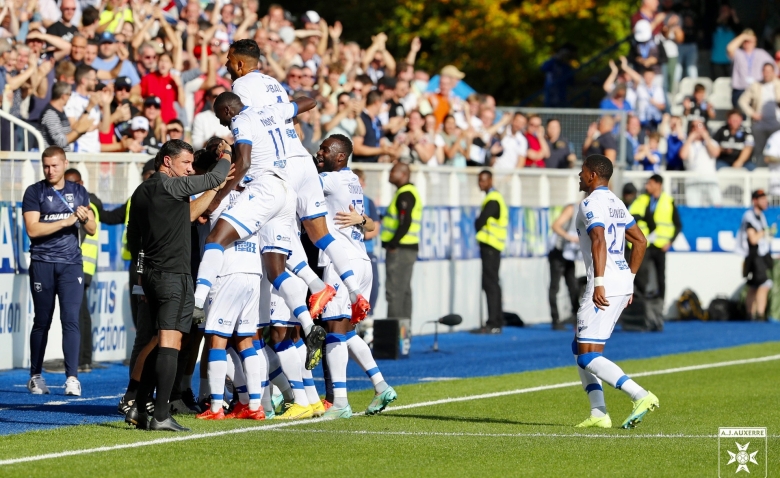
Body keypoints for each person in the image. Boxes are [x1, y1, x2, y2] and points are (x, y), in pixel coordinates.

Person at [223, 39, 371, 323]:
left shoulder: (240, 87)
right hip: (302, 160)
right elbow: (307, 103)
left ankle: (314, 289)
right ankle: (354, 292)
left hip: (279, 167)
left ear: (240, 63)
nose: (227, 66)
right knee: (321, 234)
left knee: (279, 232)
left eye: (229, 60)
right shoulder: (274, 83)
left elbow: (248, 130)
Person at [126, 139, 231, 432]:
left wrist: (140, 273)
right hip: (173, 275)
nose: (189, 170)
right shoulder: (171, 186)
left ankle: (138, 407)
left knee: (160, 341)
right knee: (171, 345)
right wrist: (227, 154)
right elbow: (215, 178)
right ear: (167, 161)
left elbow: (134, 237)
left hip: (151, 276)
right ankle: (160, 415)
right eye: (185, 164)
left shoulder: (142, 190)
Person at [573, 154, 658, 430]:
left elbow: (598, 238)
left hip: (605, 283)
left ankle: (640, 395)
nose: (579, 176)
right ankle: (599, 413)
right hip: (621, 281)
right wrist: (629, 278)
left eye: (582, 172)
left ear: (593, 176)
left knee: (586, 356)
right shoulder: (618, 203)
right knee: (581, 347)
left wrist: (598, 282)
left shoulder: (590, 203)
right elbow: (640, 241)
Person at [316, 135, 397, 418]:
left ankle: (339, 401)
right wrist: (362, 220)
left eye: (325, 150)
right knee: (347, 331)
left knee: (334, 332)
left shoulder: (332, 179)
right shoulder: (351, 179)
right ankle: (380, 384)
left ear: (340, 157)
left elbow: (296, 182)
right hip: (362, 259)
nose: (318, 153)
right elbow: (371, 224)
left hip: (342, 261)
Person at [22, 146, 97, 396]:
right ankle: (35, 376)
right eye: (46, 166)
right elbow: (33, 229)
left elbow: (93, 228)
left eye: (54, 165)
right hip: (42, 262)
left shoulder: (78, 191)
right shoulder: (34, 192)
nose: (50, 170)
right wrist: (65, 221)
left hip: (71, 264)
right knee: (42, 320)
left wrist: (85, 218)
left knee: (70, 320)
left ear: (65, 164)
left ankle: (72, 378)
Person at [195, 183, 267, 421]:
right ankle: (254, 404)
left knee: (217, 341)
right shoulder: (255, 195)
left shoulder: (219, 195)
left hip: (227, 272)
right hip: (253, 271)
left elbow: (200, 213)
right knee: (247, 340)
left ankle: (216, 407)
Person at [63, 168, 101, 373]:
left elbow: (78, 238)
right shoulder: (86, 205)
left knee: (78, 314)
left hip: (79, 265)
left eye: (75, 183)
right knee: (82, 312)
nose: (72, 188)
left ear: (82, 182)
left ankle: (80, 358)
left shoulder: (84, 207)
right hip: (83, 265)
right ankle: (84, 358)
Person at [629, 175, 682, 303]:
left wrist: (670, 242)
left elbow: (677, 224)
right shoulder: (643, 199)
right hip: (647, 244)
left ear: (659, 184)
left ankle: (660, 303)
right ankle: (641, 300)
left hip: (660, 245)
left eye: (650, 184)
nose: (647, 186)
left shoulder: (668, 200)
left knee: (660, 276)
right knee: (640, 272)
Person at [381, 162, 422, 320]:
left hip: (400, 250)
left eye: (394, 171)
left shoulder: (405, 194)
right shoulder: (408, 192)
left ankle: (393, 334)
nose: (390, 174)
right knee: (404, 291)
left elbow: (405, 222)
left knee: (395, 292)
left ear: (404, 175)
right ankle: (403, 334)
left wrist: (393, 244)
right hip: (407, 248)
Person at [473, 170, 507, 334]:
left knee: (490, 284)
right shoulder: (493, 197)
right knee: (493, 284)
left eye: (484, 180)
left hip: (490, 246)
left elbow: (480, 221)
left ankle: (493, 322)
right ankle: (497, 320)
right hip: (493, 247)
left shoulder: (493, 199)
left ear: (491, 180)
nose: (481, 183)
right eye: (479, 180)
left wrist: (477, 223)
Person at [736, 190, 775, 321]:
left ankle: (749, 315)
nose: (765, 202)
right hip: (755, 256)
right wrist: (765, 231)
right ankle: (760, 315)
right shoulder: (749, 216)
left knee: (753, 286)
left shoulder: (761, 216)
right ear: (755, 201)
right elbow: (753, 239)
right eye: (762, 199)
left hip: (761, 255)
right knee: (765, 284)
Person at [738, 62, 780, 166]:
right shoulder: (755, 85)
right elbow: (742, 101)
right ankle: (759, 172)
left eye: (769, 71)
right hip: (760, 123)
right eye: (764, 71)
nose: (766, 74)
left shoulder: (778, 84)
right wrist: (752, 113)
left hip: (777, 123)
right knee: (759, 149)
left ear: (773, 72)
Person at [549, 203, 581, 331]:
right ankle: (555, 320)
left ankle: (577, 320)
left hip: (570, 255)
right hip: (558, 252)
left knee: (573, 287)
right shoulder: (572, 209)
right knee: (555, 287)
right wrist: (569, 237)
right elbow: (555, 225)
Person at [727, 29, 774, 108]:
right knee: (740, 114)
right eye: (745, 41)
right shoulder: (738, 52)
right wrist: (743, 36)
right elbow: (729, 48)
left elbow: (774, 68)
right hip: (740, 89)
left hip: (756, 88)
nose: (747, 43)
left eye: (749, 41)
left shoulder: (761, 53)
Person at [680, 119, 722, 206]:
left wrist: (706, 137)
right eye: (693, 127)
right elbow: (683, 155)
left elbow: (715, 153)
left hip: (710, 180)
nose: (696, 129)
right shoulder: (687, 144)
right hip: (692, 181)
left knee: (716, 206)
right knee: (693, 208)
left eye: (699, 126)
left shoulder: (712, 142)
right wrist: (690, 138)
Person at [40, 81, 93, 149]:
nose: (70, 97)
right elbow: (60, 142)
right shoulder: (50, 114)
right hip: (55, 158)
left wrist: (82, 130)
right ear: (63, 96)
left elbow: (69, 135)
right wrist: (79, 131)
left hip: (64, 156)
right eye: (70, 94)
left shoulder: (61, 111)